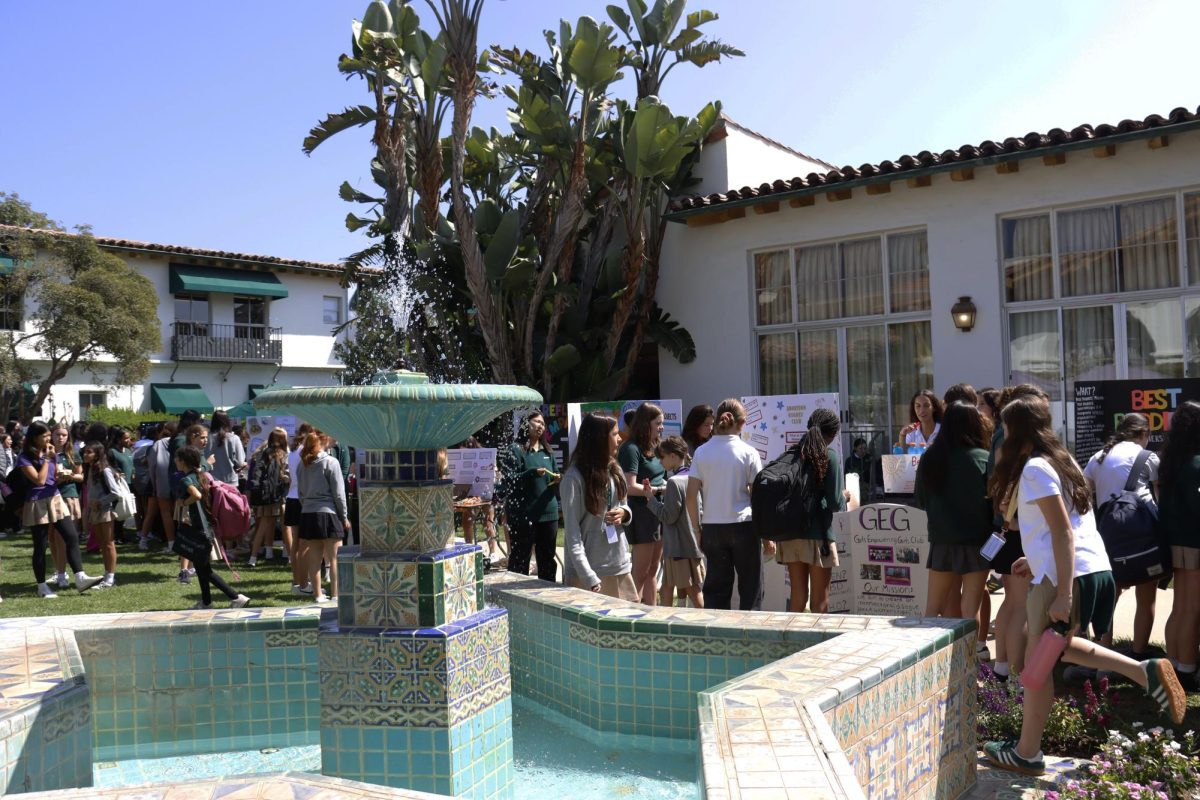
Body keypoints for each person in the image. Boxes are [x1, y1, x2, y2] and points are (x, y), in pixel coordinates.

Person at [983, 395, 1184, 776]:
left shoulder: (1034, 469)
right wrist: (1037, 559)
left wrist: (1061, 593)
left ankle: (1026, 752)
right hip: (1089, 569)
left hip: (1066, 577)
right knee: (1055, 650)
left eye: (1005, 429)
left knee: (1034, 665)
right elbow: (1069, 528)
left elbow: (1062, 532)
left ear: (1019, 432)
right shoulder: (1064, 461)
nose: (1002, 436)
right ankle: (1143, 671)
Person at [1082, 413, 1160, 660]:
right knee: (1146, 598)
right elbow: (1160, 499)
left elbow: (1083, 496)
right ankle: (1138, 653)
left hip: (1109, 537)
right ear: (1143, 434)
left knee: (1109, 597)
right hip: (1145, 535)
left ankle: (1104, 656)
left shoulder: (1098, 458)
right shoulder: (1148, 457)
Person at [686, 399, 773, 610]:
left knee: (716, 591)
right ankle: (751, 636)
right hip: (744, 525)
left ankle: (718, 636)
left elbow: (690, 496)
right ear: (742, 424)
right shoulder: (749, 452)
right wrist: (767, 536)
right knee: (750, 588)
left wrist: (698, 530)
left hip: (713, 527)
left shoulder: (701, 452)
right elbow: (757, 497)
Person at [986, 384, 1047, 681]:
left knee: (1011, 600)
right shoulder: (1015, 443)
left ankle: (1003, 666)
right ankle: (1014, 672)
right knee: (1021, 604)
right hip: (1021, 528)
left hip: (1006, 528)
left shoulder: (1001, 437)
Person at [914, 402, 993, 628]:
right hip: (978, 543)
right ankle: (971, 658)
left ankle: (924, 657)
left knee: (933, 606)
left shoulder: (930, 457)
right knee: (971, 610)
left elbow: (920, 500)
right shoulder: (984, 458)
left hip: (942, 541)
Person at [17, 422, 103, 597]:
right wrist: (48, 459)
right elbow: (39, 481)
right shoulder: (24, 457)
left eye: (50, 435)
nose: (49, 439)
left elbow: (52, 477)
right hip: (37, 502)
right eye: (45, 436)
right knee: (41, 546)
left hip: (55, 498)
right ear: (34, 437)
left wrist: (63, 474)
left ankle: (80, 577)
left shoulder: (51, 453)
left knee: (71, 536)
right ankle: (42, 587)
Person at [774, 409, 847, 613]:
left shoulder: (793, 453)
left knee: (797, 598)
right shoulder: (829, 455)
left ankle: (790, 642)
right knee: (819, 602)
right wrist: (845, 496)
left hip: (790, 533)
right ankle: (820, 643)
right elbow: (834, 502)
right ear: (833, 434)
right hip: (819, 535)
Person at [561, 413, 635, 600]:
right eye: (615, 434)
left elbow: (624, 505)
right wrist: (587, 575)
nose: (620, 439)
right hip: (588, 574)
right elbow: (572, 533)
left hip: (618, 565)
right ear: (600, 439)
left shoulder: (614, 469)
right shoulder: (573, 478)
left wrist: (625, 514)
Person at [172, 445, 249, 610]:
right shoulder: (201, 475)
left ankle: (236, 597)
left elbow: (197, 495)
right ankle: (206, 602)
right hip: (207, 526)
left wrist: (183, 502)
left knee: (205, 569)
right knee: (202, 567)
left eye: (177, 458)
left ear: (183, 461)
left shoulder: (185, 479)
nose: (175, 461)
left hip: (198, 529)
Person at [1160, 400, 1200, 691]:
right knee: (1192, 609)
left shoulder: (1170, 460)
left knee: (1179, 606)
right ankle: (1185, 670)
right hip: (1194, 543)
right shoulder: (1195, 463)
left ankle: (1172, 663)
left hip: (1174, 540)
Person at [645, 436, 704, 608]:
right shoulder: (693, 477)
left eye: (661, 458)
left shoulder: (673, 482)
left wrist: (651, 499)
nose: (660, 462)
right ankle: (669, 621)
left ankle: (708, 625)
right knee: (672, 587)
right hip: (692, 543)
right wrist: (660, 490)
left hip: (679, 547)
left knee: (693, 591)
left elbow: (668, 516)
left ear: (672, 456)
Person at [620, 402, 668, 604]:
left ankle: (651, 615)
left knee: (654, 568)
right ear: (645, 424)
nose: (661, 427)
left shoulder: (656, 447)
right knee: (640, 571)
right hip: (641, 513)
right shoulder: (631, 449)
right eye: (658, 423)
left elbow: (662, 475)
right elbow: (629, 486)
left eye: (662, 423)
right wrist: (656, 490)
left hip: (659, 510)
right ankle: (630, 613)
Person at [504, 411, 560, 582]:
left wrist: (557, 478)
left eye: (543, 423)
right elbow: (510, 479)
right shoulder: (515, 450)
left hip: (548, 514)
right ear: (525, 425)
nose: (540, 426)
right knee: (520, 561)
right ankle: (516, 600)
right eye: (536, 422)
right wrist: (531, 473)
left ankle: (548, 598)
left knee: (547, 561)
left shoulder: (547, 451)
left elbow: (555, 472)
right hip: (523, 516)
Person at [297, 432, 350, 603]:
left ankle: (318, 594)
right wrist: (344, 516)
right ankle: (335, 595)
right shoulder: (331, 462)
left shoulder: (302, 463)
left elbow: (301, 493)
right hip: (328, 512)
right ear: (323, 442)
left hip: (308, 513)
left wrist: (307, 505)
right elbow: (339, 493)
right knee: (334, 558)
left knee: (315, 557)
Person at [246, 427, 291, 567]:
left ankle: (252, 558)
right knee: (286, 527)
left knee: (263, 526)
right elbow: (287, 476)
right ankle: (290, 556)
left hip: (267, 495)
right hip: (281, 495)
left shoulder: (263, 453)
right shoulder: (285, 454)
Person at [82, 442, 121, 588]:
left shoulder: (105, 470)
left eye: (89, 452)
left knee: (109, 543)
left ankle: (110, 577)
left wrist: (100, 502)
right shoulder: (91, 469)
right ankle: (107, 574)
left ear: (97, 454)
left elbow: (115, 492)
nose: (86, 455)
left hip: (105, 511)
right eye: (85, 452)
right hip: (95, 512)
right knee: (102, 544)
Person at [49, 424, 82, 588]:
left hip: (67, 495)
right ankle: (58, 570)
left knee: (62, 537)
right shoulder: (47, 454)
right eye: (57, 434)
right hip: (48, 497)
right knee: (52, 538)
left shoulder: (72, 454)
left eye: (63, 435)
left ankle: (62, 575)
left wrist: (69, 475)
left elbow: (81, 476)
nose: (60, 437)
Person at [140, 422, 177, 552]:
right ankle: (173, 542)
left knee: (157, 512)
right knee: (173, 513)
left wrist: (154, 484)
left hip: (159, 482)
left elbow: (152, 465)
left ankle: (170, 543)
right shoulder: (181, 441)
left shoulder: (158, 444)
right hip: (176, 481)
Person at [285, 423, 313, 593]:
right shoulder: (305, 452)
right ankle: (303, 583)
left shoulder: (293, 451)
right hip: (302, 499)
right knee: (304, 545)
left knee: (296, 544)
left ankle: (297, 581)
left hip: (292, 498)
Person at [206, 410, 246, 487]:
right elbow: (240, 462)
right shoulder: (234, 438)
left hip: (210, 481)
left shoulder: (206, 438)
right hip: (230, 482)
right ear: (227, 421)